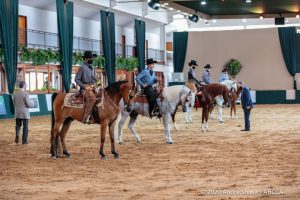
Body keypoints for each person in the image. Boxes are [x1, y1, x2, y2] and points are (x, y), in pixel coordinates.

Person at [75, 51, 97, 124]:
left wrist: (98, 84)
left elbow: (94, 79)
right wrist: (85, 86)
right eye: (90, 58)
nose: (92, 59)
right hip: (84, 89)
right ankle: (86, 117)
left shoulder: (93, 68)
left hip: (93, 87)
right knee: (92, 98)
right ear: (86, 59)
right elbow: (76, 79)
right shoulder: (82, 68)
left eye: (92, 58)